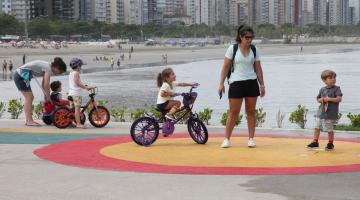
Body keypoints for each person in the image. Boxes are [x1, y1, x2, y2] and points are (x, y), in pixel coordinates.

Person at [218, 25, 265, 148]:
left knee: (250, 112)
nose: (249, 40)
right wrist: (221, 83)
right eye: (247, 37)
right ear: (240, 37)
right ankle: (226, 139)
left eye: (251, 37)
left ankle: (251, 139)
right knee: (233, 112)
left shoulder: (254, 50)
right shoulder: (232, 49)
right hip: (236, 83)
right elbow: (225, 67)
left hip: (251, 83)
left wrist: (262, 85)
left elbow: (258, 69)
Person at [13, 58, 67, 126]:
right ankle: (29, 120)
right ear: (57, 67)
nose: (59, 74)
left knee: (29, 97)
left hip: (22, 75)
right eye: (60, 72)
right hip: (21, 75)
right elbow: (46, 84)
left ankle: (28, 120)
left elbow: (43, 84)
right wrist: (48, 98)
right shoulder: (48, 68)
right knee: (29, 97)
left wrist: (45, 96)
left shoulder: (47, 66)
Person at [307, 70, 342, 151]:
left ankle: (330, 143)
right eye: (330, 78)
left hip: (330, 114)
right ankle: (315, 142)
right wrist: (321, 99)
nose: (333, 79)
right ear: (324, 80)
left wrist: (329, 99)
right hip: (321, 113)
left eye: (334, 78)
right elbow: (318, 99)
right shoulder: (322, 89)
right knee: (317, 127)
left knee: (329, 129)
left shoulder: (337, 89)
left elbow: (339, 99)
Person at [68, 58, 94, 128]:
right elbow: (77, 83)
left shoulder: (71, 73)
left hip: (71, 93)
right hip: (76, 94)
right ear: (78, 66)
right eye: (81, 66)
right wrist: (86, 88)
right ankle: (78, 124)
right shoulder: (76, 73)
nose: (81, 67)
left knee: (72, 109)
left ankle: (71, 122)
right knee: (77, 109)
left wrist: (86, 86)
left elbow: (76, 83)